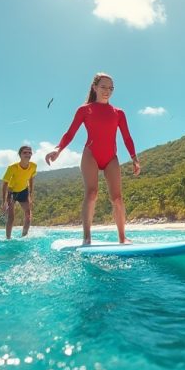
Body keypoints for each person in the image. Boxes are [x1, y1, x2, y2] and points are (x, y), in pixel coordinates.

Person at [46, 73, 140, 245]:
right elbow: (70, 133)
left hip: (111, 157)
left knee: (117, 198)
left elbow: (127, 137)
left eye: (110, 88)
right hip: (91, 155)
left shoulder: (119, 113)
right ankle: (87, 237)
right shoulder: (84, 109)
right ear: (95, 87)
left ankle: (122, 237)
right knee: (92, 193)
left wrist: (134, 158)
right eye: (103, 87)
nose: (107, 91)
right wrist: (58, 149)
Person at [1, 145, 37, 239]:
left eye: (29, 152)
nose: (27, 154)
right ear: (20, 155)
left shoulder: (33, 166)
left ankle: (23, 237)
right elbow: (5, 184)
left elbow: (31, 178)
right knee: (11, 217)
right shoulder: (12, 167)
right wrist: (4, 202)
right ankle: (8, 238)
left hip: (24, 191)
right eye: (25, 152)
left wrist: (30, 194)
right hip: (12, 192)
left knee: (28, 215)